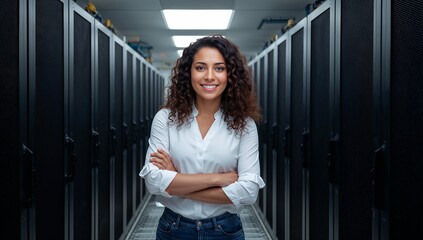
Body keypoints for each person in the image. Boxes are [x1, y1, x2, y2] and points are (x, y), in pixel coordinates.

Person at [139, 35, 265, 240]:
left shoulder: (245, 125)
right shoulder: (166, 119)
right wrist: (218, 179)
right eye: (200, 67)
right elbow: (153, 182)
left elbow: (249, 192)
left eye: (219, 68)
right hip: (174, 229)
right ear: (188, 73)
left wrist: (176, 180)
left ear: (230, 75)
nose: (209, 76)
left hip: (225, 230)